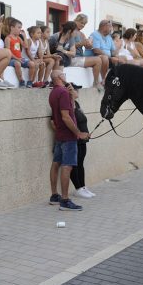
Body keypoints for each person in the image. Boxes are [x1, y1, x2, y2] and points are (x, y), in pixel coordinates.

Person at [48, 71, 90, 210]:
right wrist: (78, 133)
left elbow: (68, 110)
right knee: (67, 166)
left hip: (59, 135)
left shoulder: (54, 92)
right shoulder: (63, 92)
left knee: (56, 164)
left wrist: (72, 96)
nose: (65, 76)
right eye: (63, 74)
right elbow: (66, 116)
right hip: (68, 137)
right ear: (60, 77)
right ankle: (65, 201)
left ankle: (54, 196)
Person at [52, 21, 102, 90]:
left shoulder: (71, 38)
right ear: (70, 31)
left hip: (70, 59)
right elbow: (50, 51)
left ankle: (96, 83)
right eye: (75, 30)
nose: (77, 33)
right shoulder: (55, 37)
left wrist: (64, 51)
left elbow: (73, 53)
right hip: (61, 60)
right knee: (60, 56)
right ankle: (59, 82)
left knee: (98, 60)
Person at [68, 85, 95, 199]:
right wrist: (79, 134)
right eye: (75, 89)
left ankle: (83, 187)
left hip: (83, 140)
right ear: (69, 92)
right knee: (75, 164)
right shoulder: (68, 106)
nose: (77, 91)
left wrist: (86, 134)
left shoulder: (77, 104)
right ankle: (78, 188)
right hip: (75, 140)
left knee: (80, 163)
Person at [87, 20, 123, 86]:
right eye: (110, 27)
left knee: (122, 59)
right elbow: (96, 51)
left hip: (107, 58)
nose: (112, 29)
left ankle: (120, 81)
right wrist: (110, 58)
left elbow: (113, 51)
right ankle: (104, 80)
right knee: (105, 58)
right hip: (96, 57)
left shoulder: (109, 37)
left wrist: (118, 50)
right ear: (104, 26)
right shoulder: (95, 34)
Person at [5, 18, 37, 88]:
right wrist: (17, 59)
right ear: (12, 28)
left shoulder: (18, 38)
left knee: (32, 64)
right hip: (12, 59)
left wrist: (24, 37)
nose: (20, 29)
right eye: (19, 27)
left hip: (19, 58)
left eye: (20, 28)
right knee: (17, 63)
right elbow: (8, 52)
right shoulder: (8, 38)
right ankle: (21, 81)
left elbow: (26, 46)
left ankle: (30, 81)